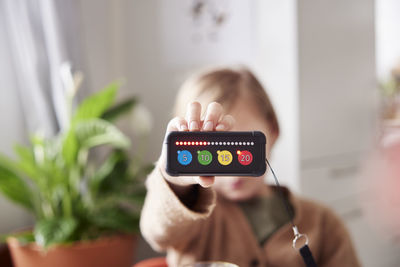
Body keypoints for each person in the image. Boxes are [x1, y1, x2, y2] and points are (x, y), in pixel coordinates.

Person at [140, 67, 360, 267]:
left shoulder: (323, 224)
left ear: (273, 131)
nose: (234, 171)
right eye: (214, 153)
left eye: (243, 150)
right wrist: (176, 178)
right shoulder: (191, 220)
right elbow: (157, 231)